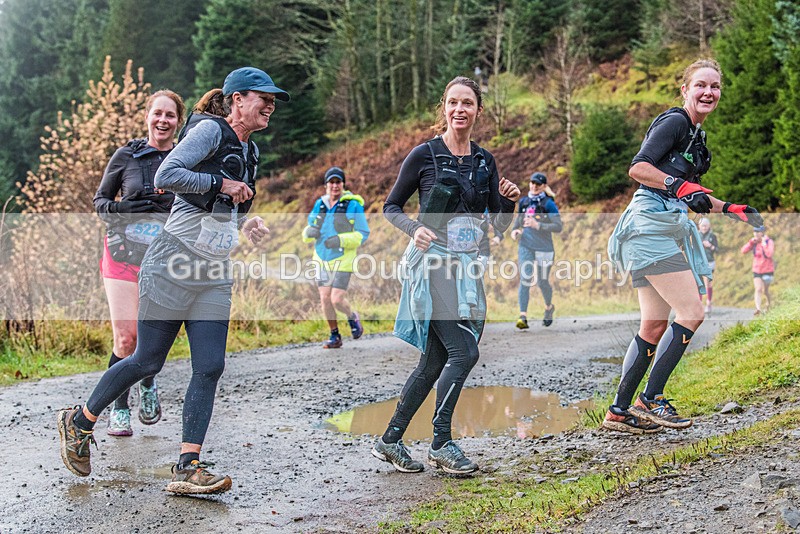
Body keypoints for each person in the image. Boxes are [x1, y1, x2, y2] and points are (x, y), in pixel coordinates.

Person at [58, 67, 286, 494]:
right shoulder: (210, 132)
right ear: (238, 99)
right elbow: (167, 175)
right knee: (147, 360)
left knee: (211, 365)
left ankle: (188, 465)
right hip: (172, 261)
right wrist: (221, 182)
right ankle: (80, 421)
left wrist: (247, 222)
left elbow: (225, 204)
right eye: (264, 98)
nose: (271, 106)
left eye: (274, 100)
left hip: (213, 270)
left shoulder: (250, 149)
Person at [603, 59, 763, 434]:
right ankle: (651, 399)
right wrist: (679, 186)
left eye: (715, 86)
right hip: (649, 227)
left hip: (658, 228)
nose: (708, 92)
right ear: (685, 90)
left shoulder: (696, 137)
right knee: (692, 311)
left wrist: (732, 209)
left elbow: (693, 197)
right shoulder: (675, 122)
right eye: (701, 85)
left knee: (654, 325)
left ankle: (619, 412)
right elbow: (638, 168)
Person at [372, 76, 520, 474]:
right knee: (464, 352)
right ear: (444, 107)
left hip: (467, 269)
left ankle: (389, 440)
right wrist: (413, 229)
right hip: (432, 264)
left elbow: (497, 226)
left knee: (436, 360)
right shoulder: (424, 155)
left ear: (478, 110)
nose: (459, 109)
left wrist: (509, 202)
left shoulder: (485, 161)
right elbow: (391, 206)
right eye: (453, 102)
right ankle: (441, 442)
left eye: (467, 103)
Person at [93, 89, 185, 437]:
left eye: (170, 115)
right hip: (122, 255)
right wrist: (123, 208)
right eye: (157, 113)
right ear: (147, 116)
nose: (163, 120)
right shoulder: (126, 156)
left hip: (163, 260)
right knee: (126, 337)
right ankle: (119, 408)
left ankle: (147, 382)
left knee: (151, 341)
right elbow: (100, 202)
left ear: (178, 121)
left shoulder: (186, 158)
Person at [302, 166, 370, 348]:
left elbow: (363, 233)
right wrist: (309, 232)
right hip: (321, 259)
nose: (334, 186)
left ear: (343, 184)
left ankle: (352, 316)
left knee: (336, 299)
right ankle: (335, 336)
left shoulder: (353, 205)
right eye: (331, 182)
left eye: (338, 182)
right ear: (326, 185)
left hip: (343, 259)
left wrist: (340, 240)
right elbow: (309, 227)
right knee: (325, 298)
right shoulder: (320, 204)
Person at [510, 172, 562, 329]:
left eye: (538, 184)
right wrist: (515, 231)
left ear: (544, 186)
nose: (534, 186)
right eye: (532, 183)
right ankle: (523, 317)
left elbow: (558, 226)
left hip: (544, 248)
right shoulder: (524, 202)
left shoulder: (548, 204)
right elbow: (518, 222)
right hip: (526, 245)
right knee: (525, 279)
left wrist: (538, 226)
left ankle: (548, 307)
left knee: (542, 281)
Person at [741, 225, 774, 315]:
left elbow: (769, 254)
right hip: (757, 270)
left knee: (765, 291)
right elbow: (743, 251)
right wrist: (751, 242)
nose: (756, 234)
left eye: (758, 232)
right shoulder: (754, 242)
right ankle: (758, 309)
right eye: (754, 232)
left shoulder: (769, 241)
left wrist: (764, 244)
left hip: (767, 270)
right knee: (758, 288)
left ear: (762, 233)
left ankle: (768, 303)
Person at [697, 217, 718, 314]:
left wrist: (710, 246)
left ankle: (709, 303)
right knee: (699, 283)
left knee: (708, 283)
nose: (704, 228)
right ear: (699, 226)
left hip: (710, 262)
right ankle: (700, 304)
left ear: (709, 226)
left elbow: (717, 249)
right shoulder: (696, 235)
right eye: (702, 226)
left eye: (706, 226)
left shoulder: (712, 236)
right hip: (699, 262)